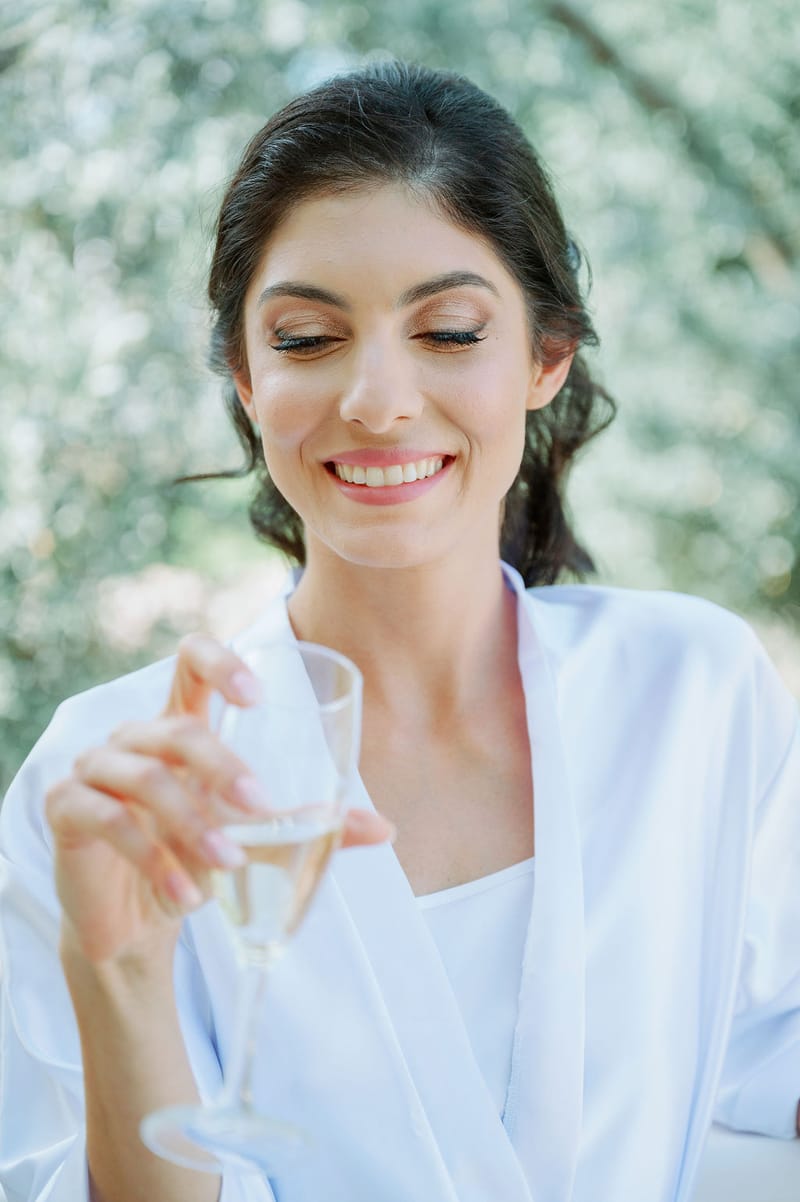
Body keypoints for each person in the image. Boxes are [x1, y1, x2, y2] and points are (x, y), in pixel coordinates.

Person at [0, 60, 798, 1202]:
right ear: (242, 372)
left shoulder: (693, 692)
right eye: (307, 339)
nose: (375, 399)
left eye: (450, 330)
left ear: (544, 355)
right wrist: (117, 968)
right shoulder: (109, 783)